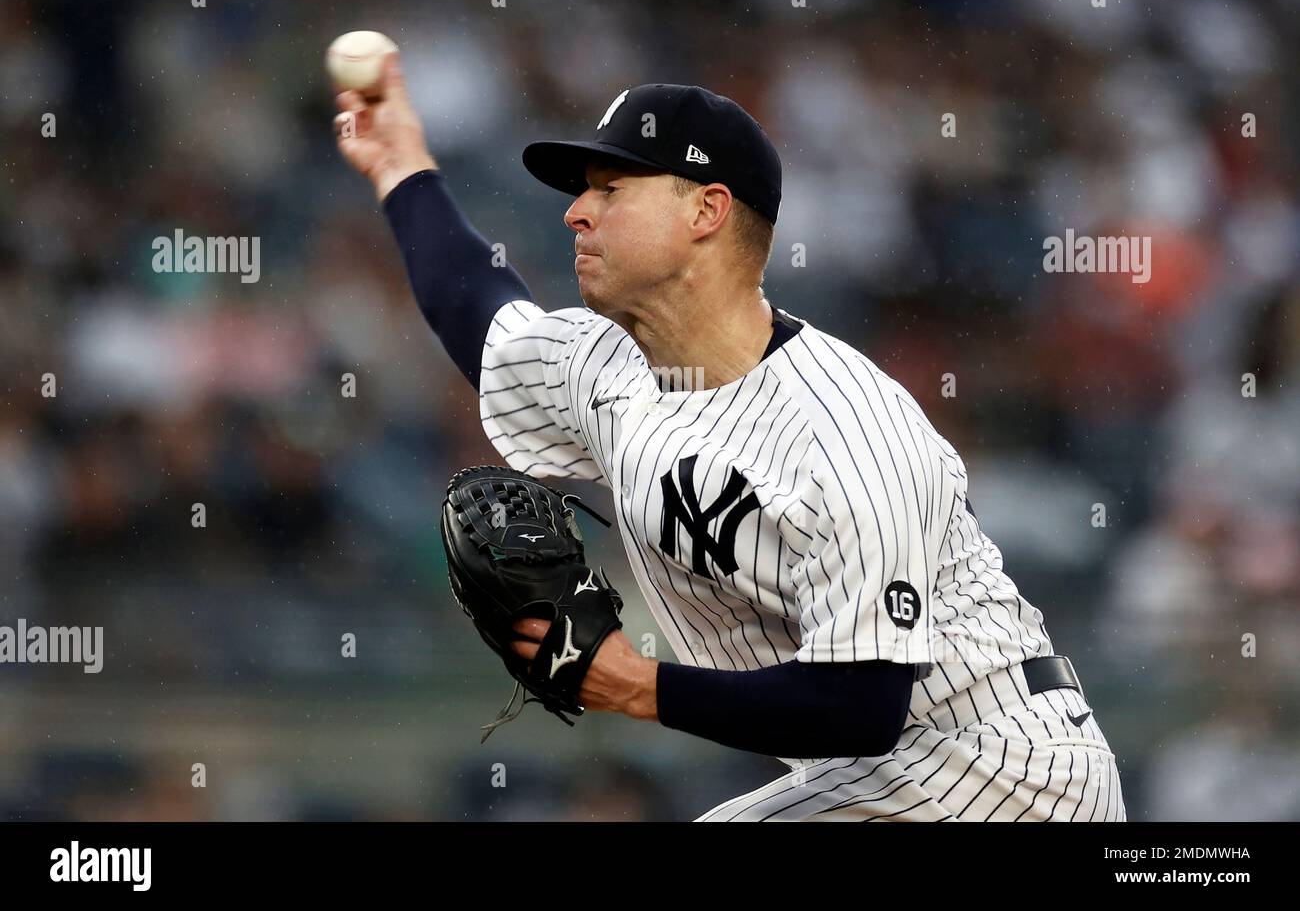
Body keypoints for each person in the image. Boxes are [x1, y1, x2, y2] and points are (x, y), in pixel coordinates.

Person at [333, 57, 1127, 821]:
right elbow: (477, 309)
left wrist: (630, 683)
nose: (577, 211)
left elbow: (861, 704)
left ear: (706, 212)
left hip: (1004, 767)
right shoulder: (608, 364)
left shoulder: (846, 432)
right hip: (882, 771)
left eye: (612, 189)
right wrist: (401, 165)